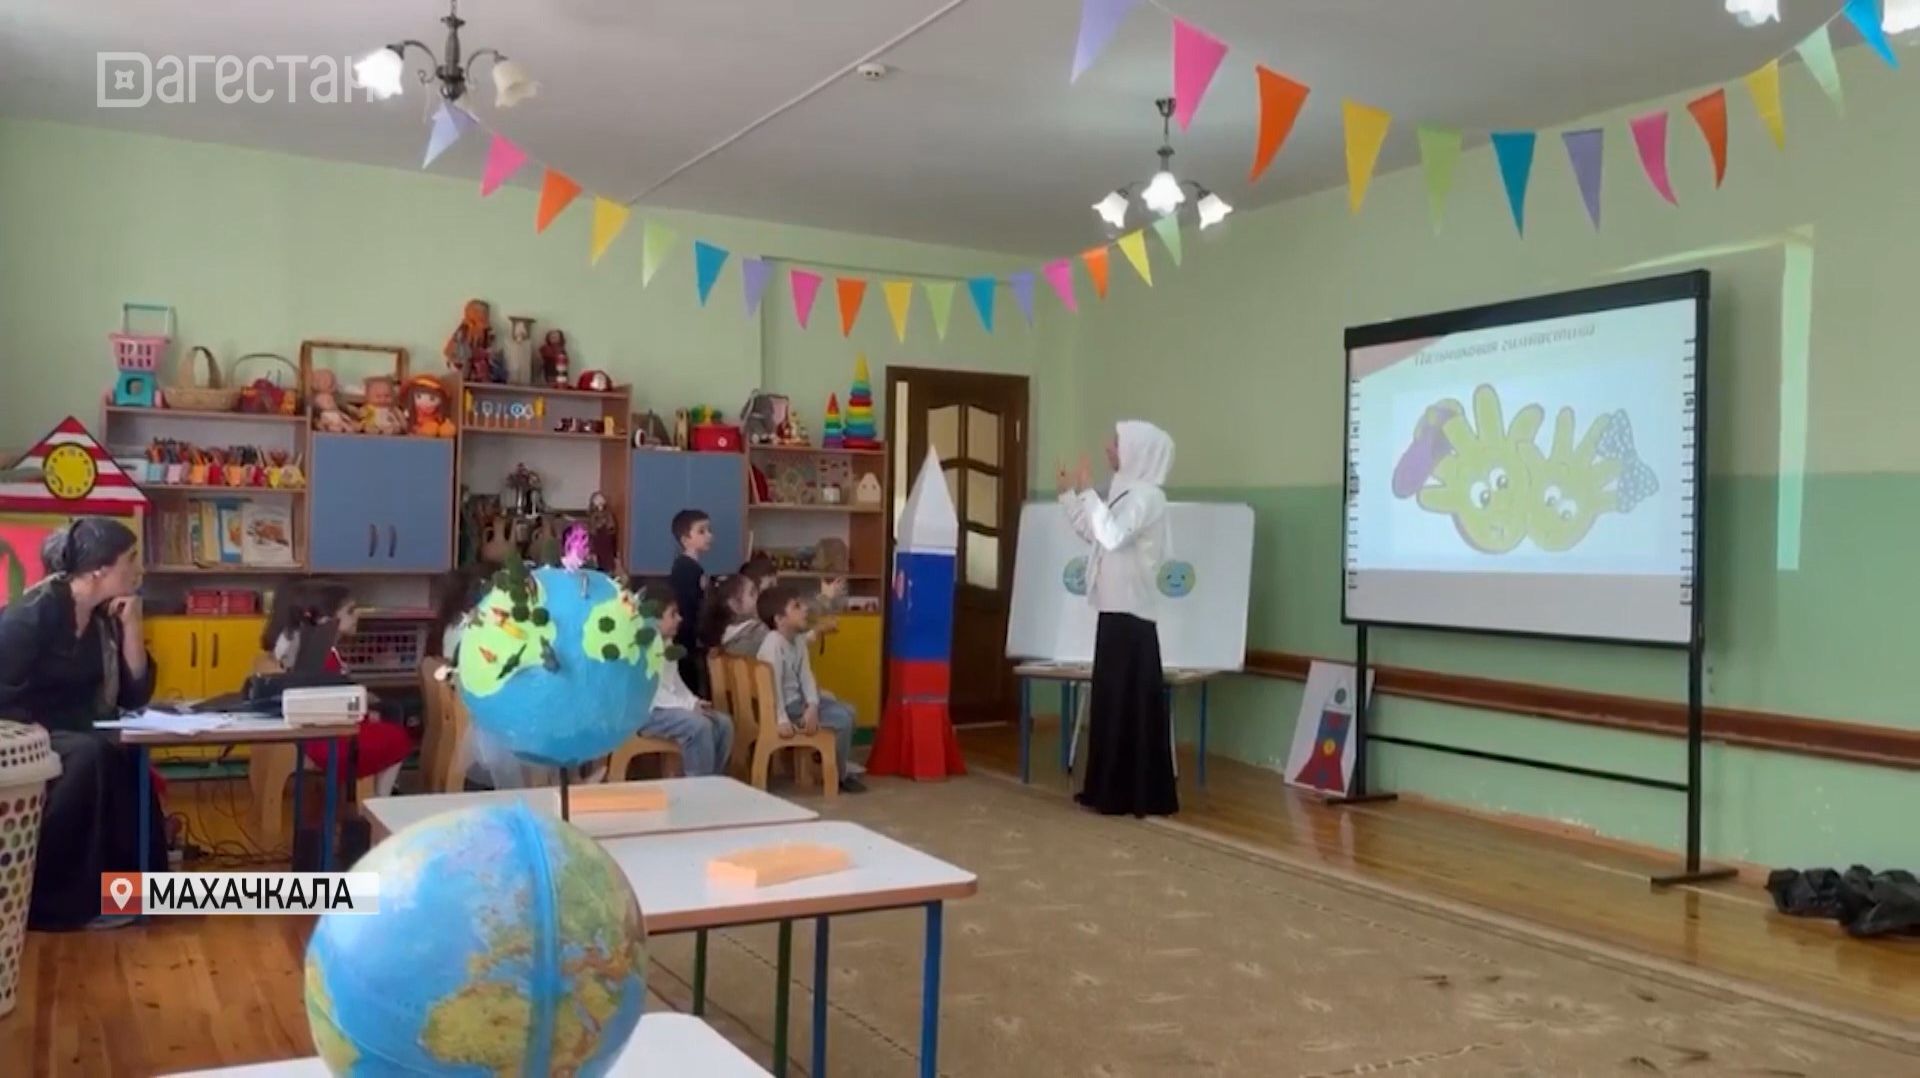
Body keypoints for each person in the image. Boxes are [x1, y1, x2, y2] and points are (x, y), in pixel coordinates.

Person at [0, 518, 165, 930]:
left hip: (83, 730)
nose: (138, 569)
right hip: (22, 734)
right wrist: (34, 733)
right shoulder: (31, 616)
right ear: (98, 570)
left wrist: (133, 627)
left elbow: (134, 696)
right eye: (130, 559)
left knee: (127, 754)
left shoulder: (104, 619)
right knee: (88, 757)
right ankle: (56, 905)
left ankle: (131, 895)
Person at [1059, 420, 1179, 817]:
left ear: (1136, 450)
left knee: (1128, 707)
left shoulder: (1148, 498)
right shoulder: (1123, 492)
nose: (1109, 449)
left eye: (1116, 443)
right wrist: (1070, 497)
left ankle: (1131, 793)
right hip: (1113, 611)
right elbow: (1095, 535)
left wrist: (1088, 494)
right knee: (1110, 704)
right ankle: (1105, 789)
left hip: (1131, 614)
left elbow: (1111, 536)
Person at [262, 579, 412, 798]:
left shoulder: (304, 646)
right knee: (398, 736)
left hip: (317, 729)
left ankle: (378, 797)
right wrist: (364, 712)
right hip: (326, 737)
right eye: (350, 611)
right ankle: (380, 800)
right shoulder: (322, 655)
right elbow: (335, 700)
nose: (357, 615)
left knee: (384, 716)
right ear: (325, 619)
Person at [755, 585, 864, 793]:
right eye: (796, 606)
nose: (805, 608)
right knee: (843, 719)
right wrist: (781, 720)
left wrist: (812, 705)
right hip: (788, 709)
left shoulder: (797, 640)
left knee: (850, 710)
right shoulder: (773, 645)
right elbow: (773, 688)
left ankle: (828, 758)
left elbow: (807, 677)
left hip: (800, 704)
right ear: (779, 619)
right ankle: (839, 774)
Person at [631, 604, 734, 776]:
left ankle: (713, 781)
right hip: (646, 712)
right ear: (655, 620)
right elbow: (653, 693)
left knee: (723, 723)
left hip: (667, 708)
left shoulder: (666, 643)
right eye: (673, 614)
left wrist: (693, 701)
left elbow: (674, 682)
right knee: (699, 726)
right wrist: (687, 707)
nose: (680, 618)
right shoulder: (642, 647)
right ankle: (698, 785)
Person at [669, 510, 713, 698]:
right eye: (701, 531)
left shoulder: (691, 567)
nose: (709, 536)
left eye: (709, 530)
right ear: (686, 539)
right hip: (687, 637)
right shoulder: (686, 569)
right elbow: (688, 607)